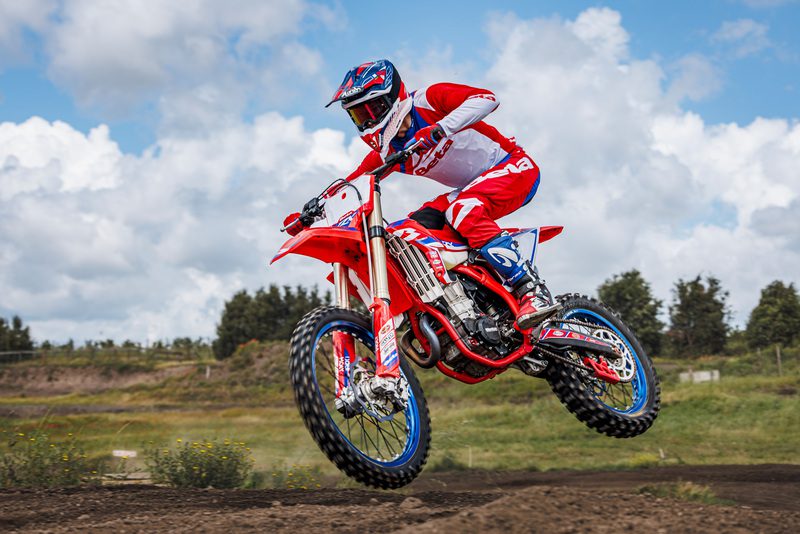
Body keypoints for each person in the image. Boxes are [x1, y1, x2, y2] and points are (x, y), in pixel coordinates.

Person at [295, 59, 558, 328]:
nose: (367, 121)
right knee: (410, 230)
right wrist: (312, 212)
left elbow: (487, 99)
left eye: (371, 110)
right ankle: (470, 301)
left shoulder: (428, 100)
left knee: (462, 211)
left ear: (391, 97)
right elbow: (353, 182)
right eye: (358, 115)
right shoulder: (389, 152)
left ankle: (531, 289)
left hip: (513, 167)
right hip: (471, 189)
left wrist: (441, 128)